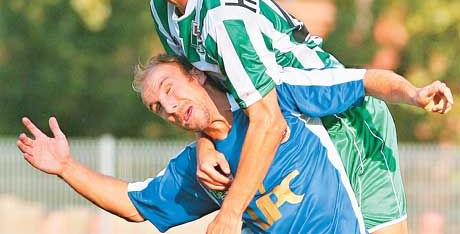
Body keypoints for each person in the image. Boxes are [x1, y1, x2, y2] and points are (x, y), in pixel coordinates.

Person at [117, 0, 449, 234]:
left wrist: (231, 213)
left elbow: (269, 120)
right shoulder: (164, 10)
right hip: (296, 128)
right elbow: (202, 91)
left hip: (343, 124)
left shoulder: (225, 19)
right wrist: (205, 145)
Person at [16, 54, 453, 234]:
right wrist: (66, 167)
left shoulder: (275, 97)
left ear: (197, 75)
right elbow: (133, 204)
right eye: (156, 107)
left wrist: (414, 94)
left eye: (169, 88)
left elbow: (362, 80)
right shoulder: (197, 169)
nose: (168, 106)